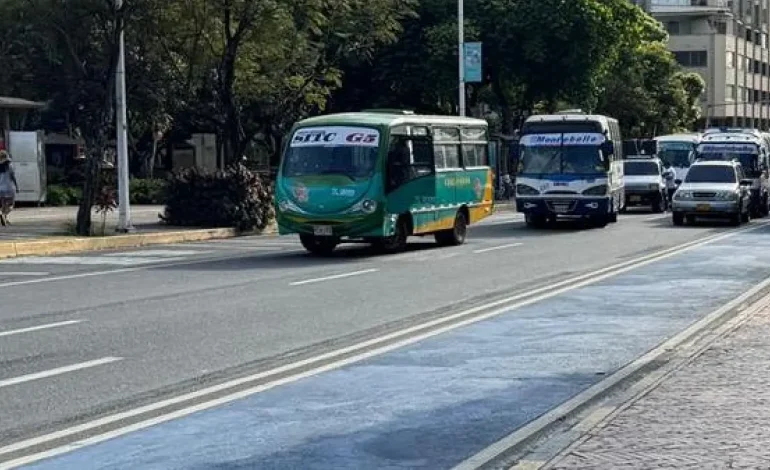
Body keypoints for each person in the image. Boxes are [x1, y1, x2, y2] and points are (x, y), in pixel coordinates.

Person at [0, 150, 18, 226]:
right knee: (11, 205)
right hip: (9, 188)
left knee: (3, 205)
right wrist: (17, 186)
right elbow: (13, 177)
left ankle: (4, 218)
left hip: (0, 188)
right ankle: (4, 215)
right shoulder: (10, 165)